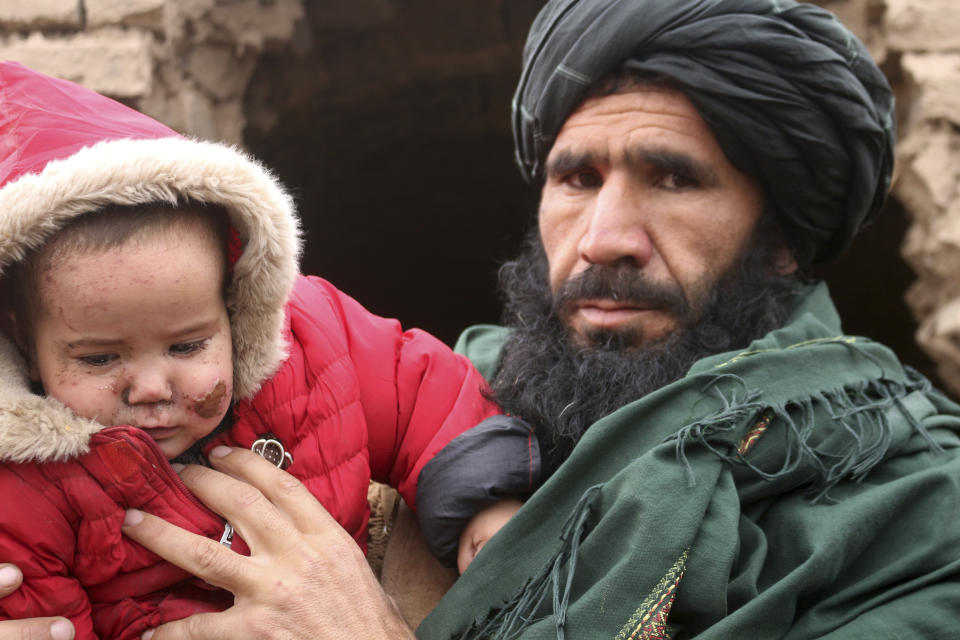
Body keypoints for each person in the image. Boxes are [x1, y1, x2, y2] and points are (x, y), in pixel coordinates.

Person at [6, 0, 960, 637]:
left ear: (783, 235)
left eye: (674, 178)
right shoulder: (455, 403)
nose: (605, 235)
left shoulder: (918, 516)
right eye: (575, 178)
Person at [0, 61, 539, 639]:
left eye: (187, 344)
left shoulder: (307, 347)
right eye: (100, 359)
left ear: (234, 307)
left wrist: (483, 504)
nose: (152, 387)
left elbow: (419, 393)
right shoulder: (24, 487)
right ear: (26, 345)